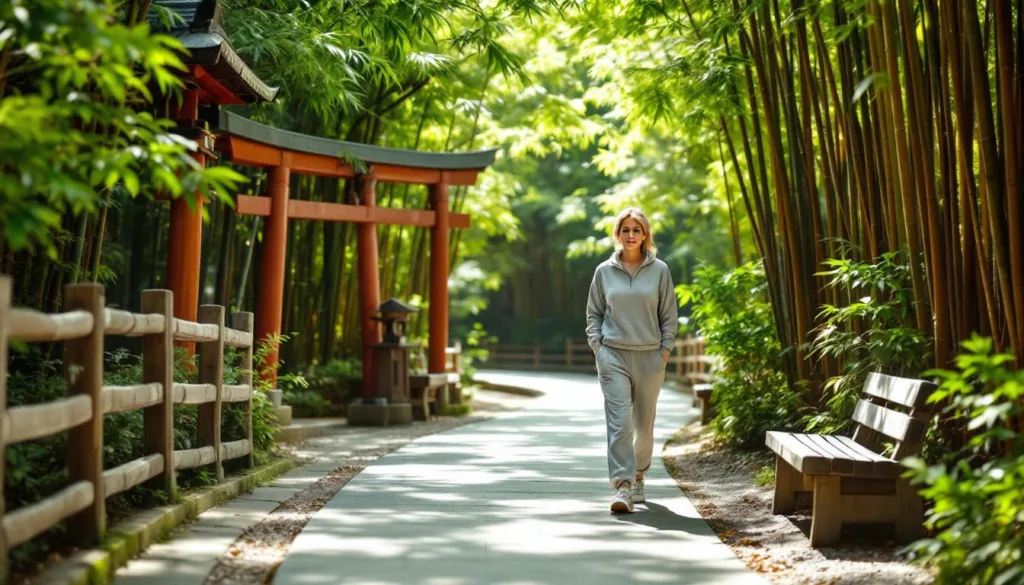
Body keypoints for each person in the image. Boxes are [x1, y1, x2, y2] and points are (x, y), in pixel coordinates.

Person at [585, 207, 677, 513]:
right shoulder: (603, 271)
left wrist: (664, 350)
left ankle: (639, 474)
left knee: (643, 424)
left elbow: (669, 315)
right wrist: (598, 347)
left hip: (650, 356)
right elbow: (594, 313)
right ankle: (622, 487)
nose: (630, 235)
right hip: (613, 355)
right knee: (620, 423)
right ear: (618, 233)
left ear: (645, 235)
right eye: (625, 229)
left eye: (636, 230)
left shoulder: (660, 270)